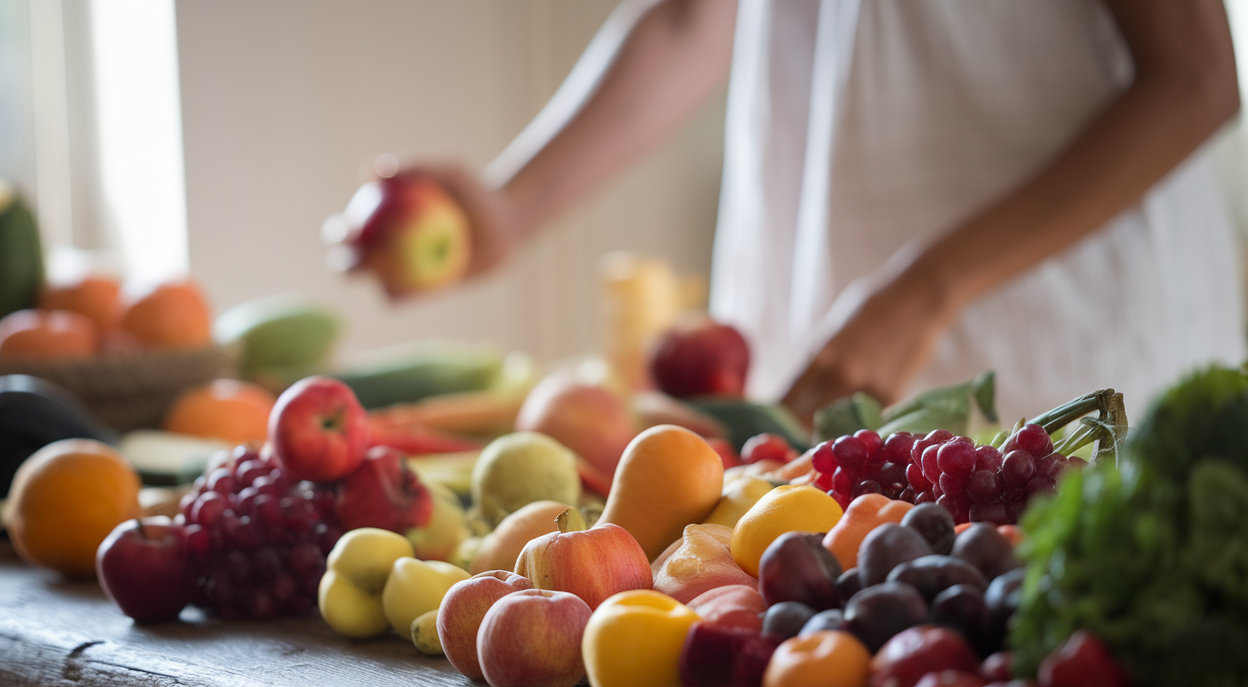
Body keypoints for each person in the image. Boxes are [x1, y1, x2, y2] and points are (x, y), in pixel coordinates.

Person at [382, 0, 1245, 425]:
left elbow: (1197, 80)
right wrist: (513, 206)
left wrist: (925, 289)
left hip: (1072, 352)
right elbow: (693, 17)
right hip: (818, 354)